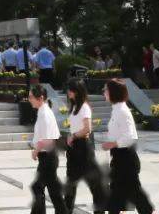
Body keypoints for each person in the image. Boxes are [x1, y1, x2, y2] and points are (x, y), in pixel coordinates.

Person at [101, 79, 156, 214]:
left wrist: (112, 144)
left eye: (106, 90)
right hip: (120, 159)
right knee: (119, 196)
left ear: (113, 92)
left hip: (125, 159)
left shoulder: (121, 111)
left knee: (134, 194)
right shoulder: (117, 109)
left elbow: (131, 137)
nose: (104, 92)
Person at [63, 79, 107, 214]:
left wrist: (74, 136)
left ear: (76, 91)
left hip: (83, 149)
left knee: (95, 184)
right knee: (70, 184)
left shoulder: (84, 107)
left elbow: (88, 129)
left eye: (70, 89)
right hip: (74, 149)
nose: (67, 92)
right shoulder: (74, 107)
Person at [28, 85, 68, 214]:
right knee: (54, 191)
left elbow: (47, 139)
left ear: (40, 98)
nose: (29, 99)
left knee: (37, 187)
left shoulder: (45, 113)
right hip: (48, 157)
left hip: (48, 157)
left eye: (31, 97)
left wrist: (36, 150)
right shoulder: (43, 111)